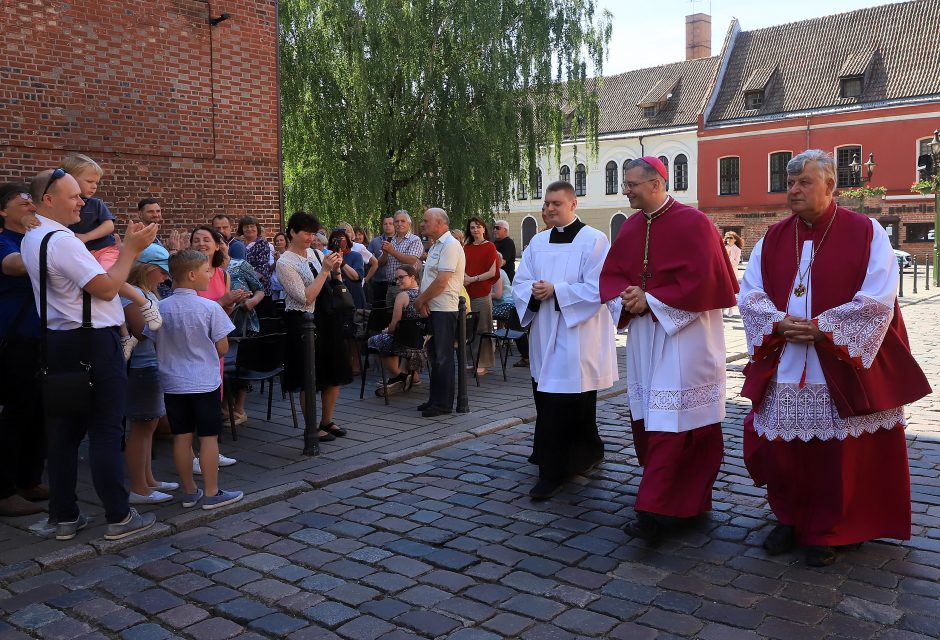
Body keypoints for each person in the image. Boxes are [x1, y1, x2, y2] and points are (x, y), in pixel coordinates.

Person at [738, 149, 931, 567]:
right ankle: (789, 518)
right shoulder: (773, 236)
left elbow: (878, 298)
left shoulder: (866, 232)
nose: (793, 190)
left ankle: (830, 528)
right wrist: (776, 323)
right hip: (786, 354)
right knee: (783, 449)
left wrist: (824, 329)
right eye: (789, 183)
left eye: (803, 182)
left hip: (840, 358)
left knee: (838, 453)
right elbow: (750, 292)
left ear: (830, 185)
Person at [599, 156, 739, 540]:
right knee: (653, 418)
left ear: (657, 184)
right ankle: (680, 503)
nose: (625, 189)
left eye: (631, 184)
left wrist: (654, 300)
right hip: (646, 337)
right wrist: (626, 299)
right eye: (625, 183)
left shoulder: (696, 224)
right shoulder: (630, 226)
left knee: (678, 423)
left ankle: (655, 509)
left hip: (687, 339)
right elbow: (612, 276)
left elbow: (705, 283)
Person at [21, 168, 158, 541]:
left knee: (65, 431)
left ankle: (63, 516)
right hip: (92, 343)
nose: (83, 201)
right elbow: (106, 289)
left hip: (59, 341)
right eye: (73, 196)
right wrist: (131, 249)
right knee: (105, 430)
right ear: (48, 200)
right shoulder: (62, 240)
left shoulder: (34, 237)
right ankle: (119, 516)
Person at [514, 180, 618, 500]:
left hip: (577, 336)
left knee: (571, 402)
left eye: (556, 203)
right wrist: (532, 291)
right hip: (545, 331)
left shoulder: (594, 240)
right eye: (546, 204)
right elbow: (521, 280)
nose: (549, 209)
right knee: (547, 399)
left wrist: (556, 290)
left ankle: (555, 470)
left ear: (573, 204)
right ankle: (576, 453)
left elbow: (599, 288)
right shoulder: (538, 241)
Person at [147, 250, 244, 510]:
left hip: (173, 381)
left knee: (182, 436)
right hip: (204, 381)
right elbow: (223, 348)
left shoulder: (161, 308)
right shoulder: (210, 307)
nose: (210, 274)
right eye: (206, 271)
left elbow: (153, 338)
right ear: (191, 275)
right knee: (209, 437)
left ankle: (189, 491)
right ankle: (212, 492)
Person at [61, 155, 162, 360]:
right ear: (69, 179)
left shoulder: (96, 204)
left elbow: (109, 225)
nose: (94, 186)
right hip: (85, 254)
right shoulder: (64, 207)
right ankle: (125, 335)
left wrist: (86, 237)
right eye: (89, 181)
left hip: (104, 249)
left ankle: (144, 303)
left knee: (109, 278)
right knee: (99, 290)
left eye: (96, 182)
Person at [275, 212, 350, 442]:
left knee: (333, 371)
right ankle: (311, 426)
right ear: (292, 232)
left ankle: (327, 420)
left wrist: (335, 270)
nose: (310, 237)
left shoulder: (317, 253)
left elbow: (332, 285)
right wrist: (326, 271)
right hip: (303, 321)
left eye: (312, 233)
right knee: (310, 375)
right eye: (305, 233)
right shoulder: (285, 262)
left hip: (327, 318)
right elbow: (304, 297)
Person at [0, 183, 46, 517]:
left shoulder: (36, 238)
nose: (31, 206)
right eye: (22, 202)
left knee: (40, 411)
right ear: (3, 211)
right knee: (15, 413)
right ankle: (4, 491)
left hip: (43, 337)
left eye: (32, 200)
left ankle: (28, 479)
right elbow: (17, 265)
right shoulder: (5, 241)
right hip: (14, 340)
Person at [121, 244, 177, 504]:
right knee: (142, 427)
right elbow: (142, 330)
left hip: (151, 364)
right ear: (148, 270)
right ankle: (139, 488)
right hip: (142, 368)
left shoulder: (145, 293)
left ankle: (149, 480)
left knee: (150, 425)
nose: (166, 278)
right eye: (162, 272)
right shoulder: (133, 295)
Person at [189, 226, 243, 466]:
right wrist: (222, 301)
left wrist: (231, 303)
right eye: (196, 240)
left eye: (206, 240)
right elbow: (189, 311)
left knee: (214, 396)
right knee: (193, 398)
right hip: (193, 344)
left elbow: (223, 314)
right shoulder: (188, 274)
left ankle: (210, 450)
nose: (201, 244)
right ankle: (191, 454)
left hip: (215, 343)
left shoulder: (223, 274)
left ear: (216, 245)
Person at [412, 208, 465, 418]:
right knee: (434, 356)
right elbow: (428, 278)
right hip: (433, 307)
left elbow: (442, 281)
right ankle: (434, 399)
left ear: (440, 223)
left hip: (444, 308)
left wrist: (420, 300)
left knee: (443, 357)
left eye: (426, 221)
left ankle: (443, 404)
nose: (423, 224)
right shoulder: (435, 246)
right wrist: (423, 301)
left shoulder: (450, 246)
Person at [223, 237, 266, 424]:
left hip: (242, 323)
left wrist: (252, 301)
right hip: (218, 324)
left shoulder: (240, 265)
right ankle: (225, 406)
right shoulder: (204, 268)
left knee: (240, 364)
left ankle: (238, 409)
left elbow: (260, 289)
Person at [368, 265, 426, 394]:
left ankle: (398, 376)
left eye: (401, 277)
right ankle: (414, 377)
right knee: (399, 337)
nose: (397, 281)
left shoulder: (402, 296)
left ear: (412, 277)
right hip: (423, 341)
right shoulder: (425, 293)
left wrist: (388, 330)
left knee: (378, 340)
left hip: (406, 342)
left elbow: (394, 324)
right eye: (396, 278)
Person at [462, 216, 500, 376]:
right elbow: (461, 266)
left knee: (483, 328)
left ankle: (483, 363)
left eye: (478, 227)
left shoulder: (490, 247)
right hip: (467, 293)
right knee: (469, 329)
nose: (475, 230)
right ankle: (472, 360)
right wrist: (464, 277)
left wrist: (473, 279)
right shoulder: (466, 248)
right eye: (472, 227)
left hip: (482, 293)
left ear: (484, 228)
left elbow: (492, 272)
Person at [379, 210, 424, 307]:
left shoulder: (414, 239)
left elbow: (411, 260)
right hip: (390, 286)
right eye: (397, 221)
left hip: (406, 287)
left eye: (402, 221)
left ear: (409, 224)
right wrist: (385, 253)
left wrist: (391, 251)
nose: (399, 224)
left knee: (404, 318)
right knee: (390, 317)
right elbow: (380, 263)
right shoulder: (390, 240)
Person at [238, 215, 274, 296]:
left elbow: (261, 270)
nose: (249, 229)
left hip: (260, 291)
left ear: (257, 228)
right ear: (242, 229)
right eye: (246, 227)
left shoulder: (262, 244)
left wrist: (244, 282)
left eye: (252, 226)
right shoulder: (238, 245)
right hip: (242, 291)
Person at [368, 216, 395, 304]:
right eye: (385, 224)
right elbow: (370, 262)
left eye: (390, 223)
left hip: (396, 282)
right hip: (379, 282)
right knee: (379, 309)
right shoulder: (375, 242)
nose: (387, 226)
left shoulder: (400, 241)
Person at [723, 231, 744, 318]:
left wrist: (729, 257)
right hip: (723, 271)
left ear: (735, 240)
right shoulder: (724, 247)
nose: (728, 239)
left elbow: (736, 263)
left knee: (731, 291)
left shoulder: (737, 249)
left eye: (731, 238)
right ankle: (723, 309)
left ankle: (731, 309)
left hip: (732, 272)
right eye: (727, 237)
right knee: (723, 290)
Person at [270, 232, 288, 302]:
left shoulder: (289, 254)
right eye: (277, 241)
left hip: (285, 286)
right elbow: (270, 269)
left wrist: (279, 260)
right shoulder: (272, 254)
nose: (279, 242)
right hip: (274, 285)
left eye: (281, 240)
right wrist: (275, 261)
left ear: (286, 242)